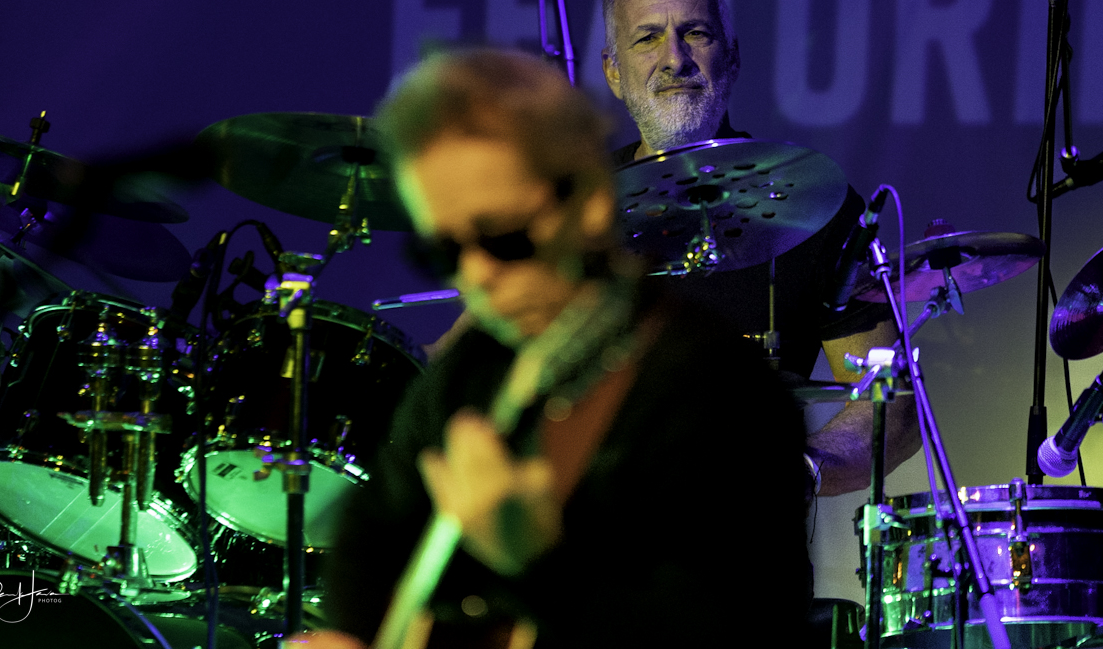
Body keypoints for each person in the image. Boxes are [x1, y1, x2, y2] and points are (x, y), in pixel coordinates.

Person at [289, 48, 811, 647]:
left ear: (588, 202)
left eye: (501, 235)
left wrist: (538, 564)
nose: (476, 275)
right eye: (443, 252)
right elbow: (371, 538)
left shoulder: (719, 392)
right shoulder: (472, 370)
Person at [599, 0, 920, 497]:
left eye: (695, 33)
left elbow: (891, 403)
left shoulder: (810, 203)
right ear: (614, 74)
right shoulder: (575, 212)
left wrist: (798, 469)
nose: (674, 58)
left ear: (733, 56)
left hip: (749, 567)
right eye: (647, 38)